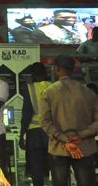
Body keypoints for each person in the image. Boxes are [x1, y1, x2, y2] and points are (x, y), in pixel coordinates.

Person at [40, 55, 98, 186]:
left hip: (58, 148)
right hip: (84, 147)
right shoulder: (88, 92)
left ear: (57, 69)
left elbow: (44, 121)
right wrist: (80, 135)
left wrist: (65, 140)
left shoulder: (49, 92)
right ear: (73, 69)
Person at [21, 62, 52, 186]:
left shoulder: (28, 88)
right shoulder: (53, 87)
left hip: (34, 133)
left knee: (36, 167)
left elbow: (26, 114)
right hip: (50, 131)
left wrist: (21, 135)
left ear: (32, 74)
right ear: (45, 73)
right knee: (54, 165)